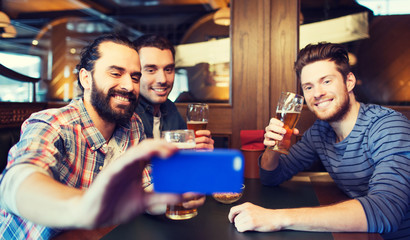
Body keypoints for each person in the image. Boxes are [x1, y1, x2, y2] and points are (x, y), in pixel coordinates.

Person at [0, 34, 185, 239]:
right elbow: (17, 182)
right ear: (85, 78)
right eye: (115, 73)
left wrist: (179, 193)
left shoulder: (133, 125)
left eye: (135, 77)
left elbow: (147, 185)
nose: (129, 86)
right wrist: (84, 206)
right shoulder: (53, 123)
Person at [228, 42, 410, 239]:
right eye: (308, 86)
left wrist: (276, 218)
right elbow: (271, 177)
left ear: (349, 82)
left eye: (326, 81)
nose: (317, 93)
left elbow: (385, 211)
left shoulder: (387, 126)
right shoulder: (320, 132)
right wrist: (272, 146)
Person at [133, 34, 214, 149]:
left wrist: (199, 150)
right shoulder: (127, 113)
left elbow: (180, 158)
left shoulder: (170, 109)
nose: (163, 79)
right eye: (151, 70)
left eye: (168, 69)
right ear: (135, 73)